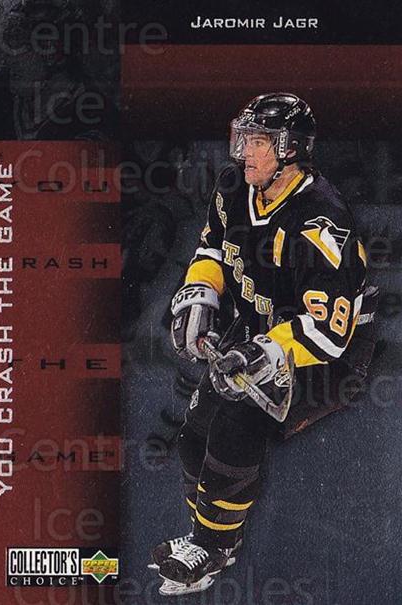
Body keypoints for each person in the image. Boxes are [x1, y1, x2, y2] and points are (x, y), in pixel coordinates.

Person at [150, 93, 378, 596]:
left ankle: (211, 546)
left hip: (327, 355)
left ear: (290, 148)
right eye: (244, 138)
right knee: (193, 437)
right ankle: (209, 536)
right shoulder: (234, 186)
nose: (244, 151)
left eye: (257, 141)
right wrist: (200, 292)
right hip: (259, 330)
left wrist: (267, 351)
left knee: (236, 425)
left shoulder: (321, 220)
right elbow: (213, 246)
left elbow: (330, 332)